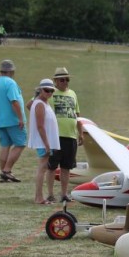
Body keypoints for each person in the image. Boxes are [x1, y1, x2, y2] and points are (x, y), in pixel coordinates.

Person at [48, 67, 83, 203]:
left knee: (66, 167)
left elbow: (77, 115)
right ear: (56, 81)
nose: (65, 82)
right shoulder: (50, 92)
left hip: (71, 135)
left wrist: (80, 133)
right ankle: (50, 194)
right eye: (62, 80)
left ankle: (64, 194)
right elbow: (35, 104)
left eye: (67, 79)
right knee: (51, 166)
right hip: (55, 136)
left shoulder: (73, 93)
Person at [0, 59, 26, 182]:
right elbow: (14, 101)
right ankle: (7, 171)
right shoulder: (10, 83)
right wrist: (20, 118)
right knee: (20, 144)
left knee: (5, 146)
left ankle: (3, 174)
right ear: (11, 71)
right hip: (13, 120)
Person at [28, 79, 61, 204]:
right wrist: (47, 145)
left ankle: (39, 197)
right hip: (43, 142)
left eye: (51, 91)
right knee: (42, 168)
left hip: (46, 141)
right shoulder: (40, 104)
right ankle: (39, 197)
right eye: (46, 90)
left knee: (43, 167)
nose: (49, 93)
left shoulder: (43, 103)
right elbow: (40, 126)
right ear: (40, 90)